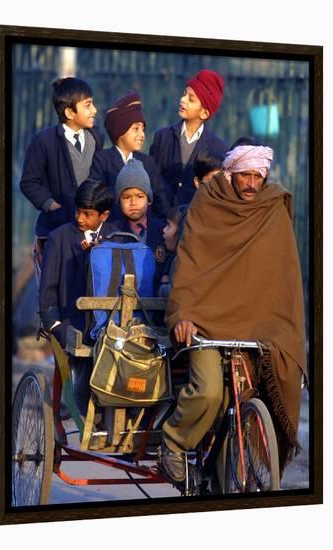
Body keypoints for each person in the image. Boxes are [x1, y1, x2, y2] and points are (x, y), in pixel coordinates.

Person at [159, 139, 307, 485]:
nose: (252, 184)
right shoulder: (207, 202)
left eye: (259, 177)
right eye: (246, 176)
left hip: (253, 323)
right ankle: (173, 442)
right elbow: (191, 264)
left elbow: (280, 273)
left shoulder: (272, 206)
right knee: (209, 391)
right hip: (204, 323)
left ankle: (228, 467)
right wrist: (184, 314)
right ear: (231, 173)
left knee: (253, 395)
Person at [20, 77, 103, 240]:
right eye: (87, 105)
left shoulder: (97, 137)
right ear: (69, 113)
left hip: (91, 230)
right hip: (56, 229)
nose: (94, 110)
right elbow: (29, 182)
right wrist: (52, 206)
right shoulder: (44, 141)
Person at [38, 179, 115, 348]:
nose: (79, 218)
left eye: (87, 214)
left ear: (104, 215)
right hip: (71, 327)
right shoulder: (58, 239)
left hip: (108, 328)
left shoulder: (116, 238)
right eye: (78, 211)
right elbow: (47, 288)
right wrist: (56, 326)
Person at [150, 70, 228, 207]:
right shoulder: (162, 137)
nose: (183, 100)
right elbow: (152, 178)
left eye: (191, 99)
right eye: (184, 94)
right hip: (161, 217)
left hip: (196, 220)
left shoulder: (218, 148)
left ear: (204, 113)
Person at [89, 91, 169, 221]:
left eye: (143, 129)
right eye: (136, 129)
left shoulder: (147, 162)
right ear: (120, 131)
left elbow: (160, 199)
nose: (142, 135)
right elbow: (97, 198)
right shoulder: (102, 160)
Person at [112, 158, 167, 287]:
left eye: (140, 196)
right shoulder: (112, 233)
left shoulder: (163, 231)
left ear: (149, 199)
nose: (133, 203)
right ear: (118, 201)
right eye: (126, 197)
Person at [158, 205, 188, 298]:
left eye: (169, 225)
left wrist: (163, 290)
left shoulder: (183, 263)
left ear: (182, 230)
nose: (164, 230)